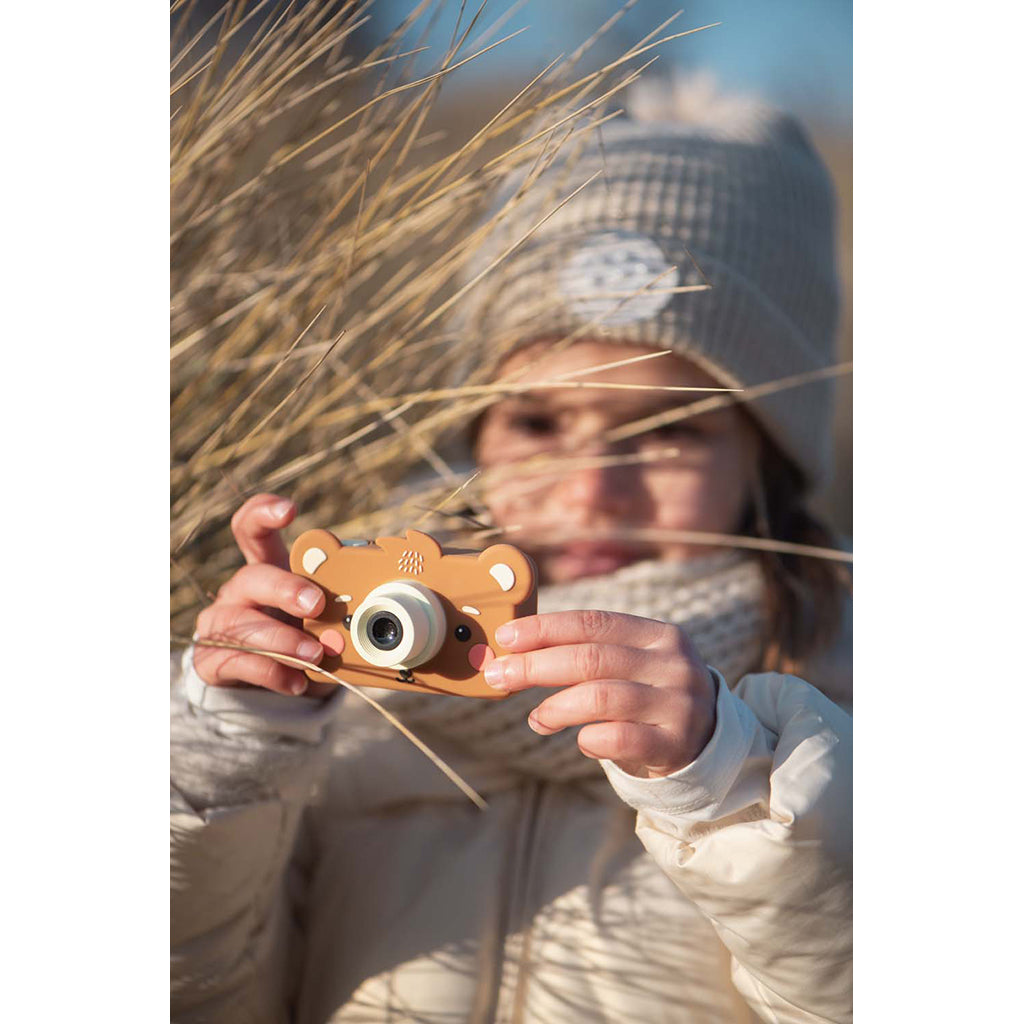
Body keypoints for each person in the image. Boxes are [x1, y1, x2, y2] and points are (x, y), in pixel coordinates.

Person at [171, 93, 853, 1023]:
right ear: (474, 437)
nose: (589, 490)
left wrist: (728, 784)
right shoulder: (348, 700)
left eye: (667, 432)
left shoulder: (840, 725)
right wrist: (225, 755)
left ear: (767, 461)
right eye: (536, 420)